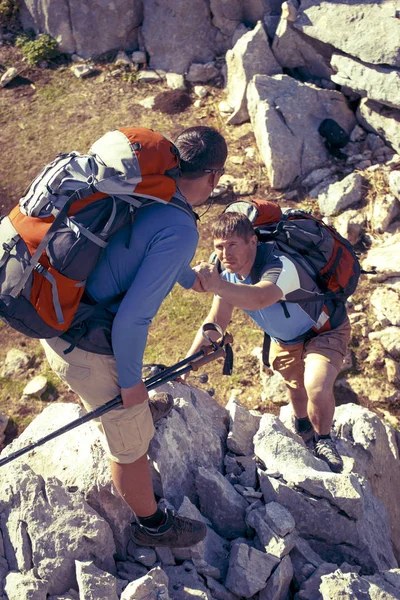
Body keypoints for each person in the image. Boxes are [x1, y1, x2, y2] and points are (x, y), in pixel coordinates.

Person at [41, 125, 228, 547]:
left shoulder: (145, 189)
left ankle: (131, 414)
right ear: (213, 177)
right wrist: (130, 387)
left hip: (59, 312)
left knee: (131, 399)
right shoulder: (182, 228)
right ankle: (152, 525)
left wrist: (188, 277)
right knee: (129, 443)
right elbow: (130, 322)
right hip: (86, 346)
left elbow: (136, 242)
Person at [187, 211, 351, 473]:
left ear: (252, 242)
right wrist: (186, 365)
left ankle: (323, 440)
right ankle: (303, 427)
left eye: (232, 245)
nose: (225, 254)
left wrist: (215, 285)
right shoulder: (226, 275)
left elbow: (260, 297)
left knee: (315, 386)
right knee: (296, 388)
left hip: (323, 330)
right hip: (285, 339)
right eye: (219, 247)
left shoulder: (279, 264)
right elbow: (217, 321)